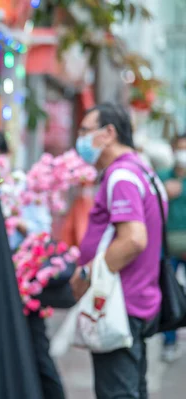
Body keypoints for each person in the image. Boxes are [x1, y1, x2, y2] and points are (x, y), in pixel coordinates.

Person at [70, 103, 165, 399]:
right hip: (135, 302)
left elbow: (134, 239)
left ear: (109, 133)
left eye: (85, 130)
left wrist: (87, 273)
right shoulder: (143, 171)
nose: (81, 139)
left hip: (119, 306)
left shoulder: (121, 175)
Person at [0, 129, 65, 399]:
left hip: (26, 281)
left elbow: (42, 234)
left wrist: (17, 222)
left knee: (36, 348)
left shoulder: (23, 186)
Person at [157, 134, 186, 362]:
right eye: (180, 148)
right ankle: (169, 341)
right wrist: (164, 193)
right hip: (167, 246)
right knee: (168, 293)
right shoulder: (162, 178)